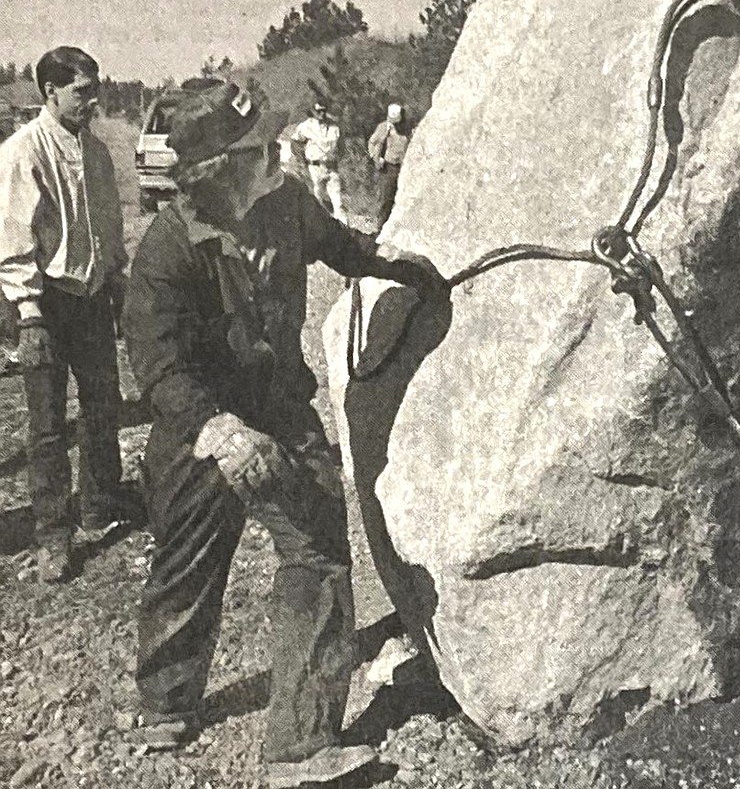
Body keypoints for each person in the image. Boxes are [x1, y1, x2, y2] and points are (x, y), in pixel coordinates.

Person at [122, 77, 447, 787]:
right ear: (214, 168)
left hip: (279, 406)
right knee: (189, 559)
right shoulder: (167, 252)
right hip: (201, 426)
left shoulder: (288, 202)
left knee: (321, 550)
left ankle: (299, 746)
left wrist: (400, 264)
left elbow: (344, 247)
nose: (275, 151)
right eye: (256, 146)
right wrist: (217, 428)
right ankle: (166, 699)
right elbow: (158, 363)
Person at [0, 46, 127, 584]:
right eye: (80, 90)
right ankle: (54, 534)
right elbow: (12, 236)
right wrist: (28, 314)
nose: (91, 98)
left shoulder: (94, 150)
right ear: (48, 92)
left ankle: (101, 503)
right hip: (45, 303)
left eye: (94, 87)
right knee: (49, 426)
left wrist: (115, 280)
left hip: (92, 298)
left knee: (103, 405)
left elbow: (108, 224)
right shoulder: (22, 151)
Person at [291, 99, 345, 222]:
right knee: (316, 197)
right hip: (314, 167)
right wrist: (302, 160)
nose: (321, 113)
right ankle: (318, 223)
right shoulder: (306, 126)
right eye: (318, 111)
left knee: (337, 198)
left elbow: (342, 147)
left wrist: (337, 158)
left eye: (323, 111)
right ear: (313, 112)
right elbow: (295, 141)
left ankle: (342, 225)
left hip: (331, 166)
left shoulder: (334, 127)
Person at [366, 102, 409, 231]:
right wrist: (376, 157)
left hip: (404, 168)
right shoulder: (384, 127)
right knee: (386, 199)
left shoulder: (405, 129)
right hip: (389, 167)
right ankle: (380, 228)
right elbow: (372, 142)